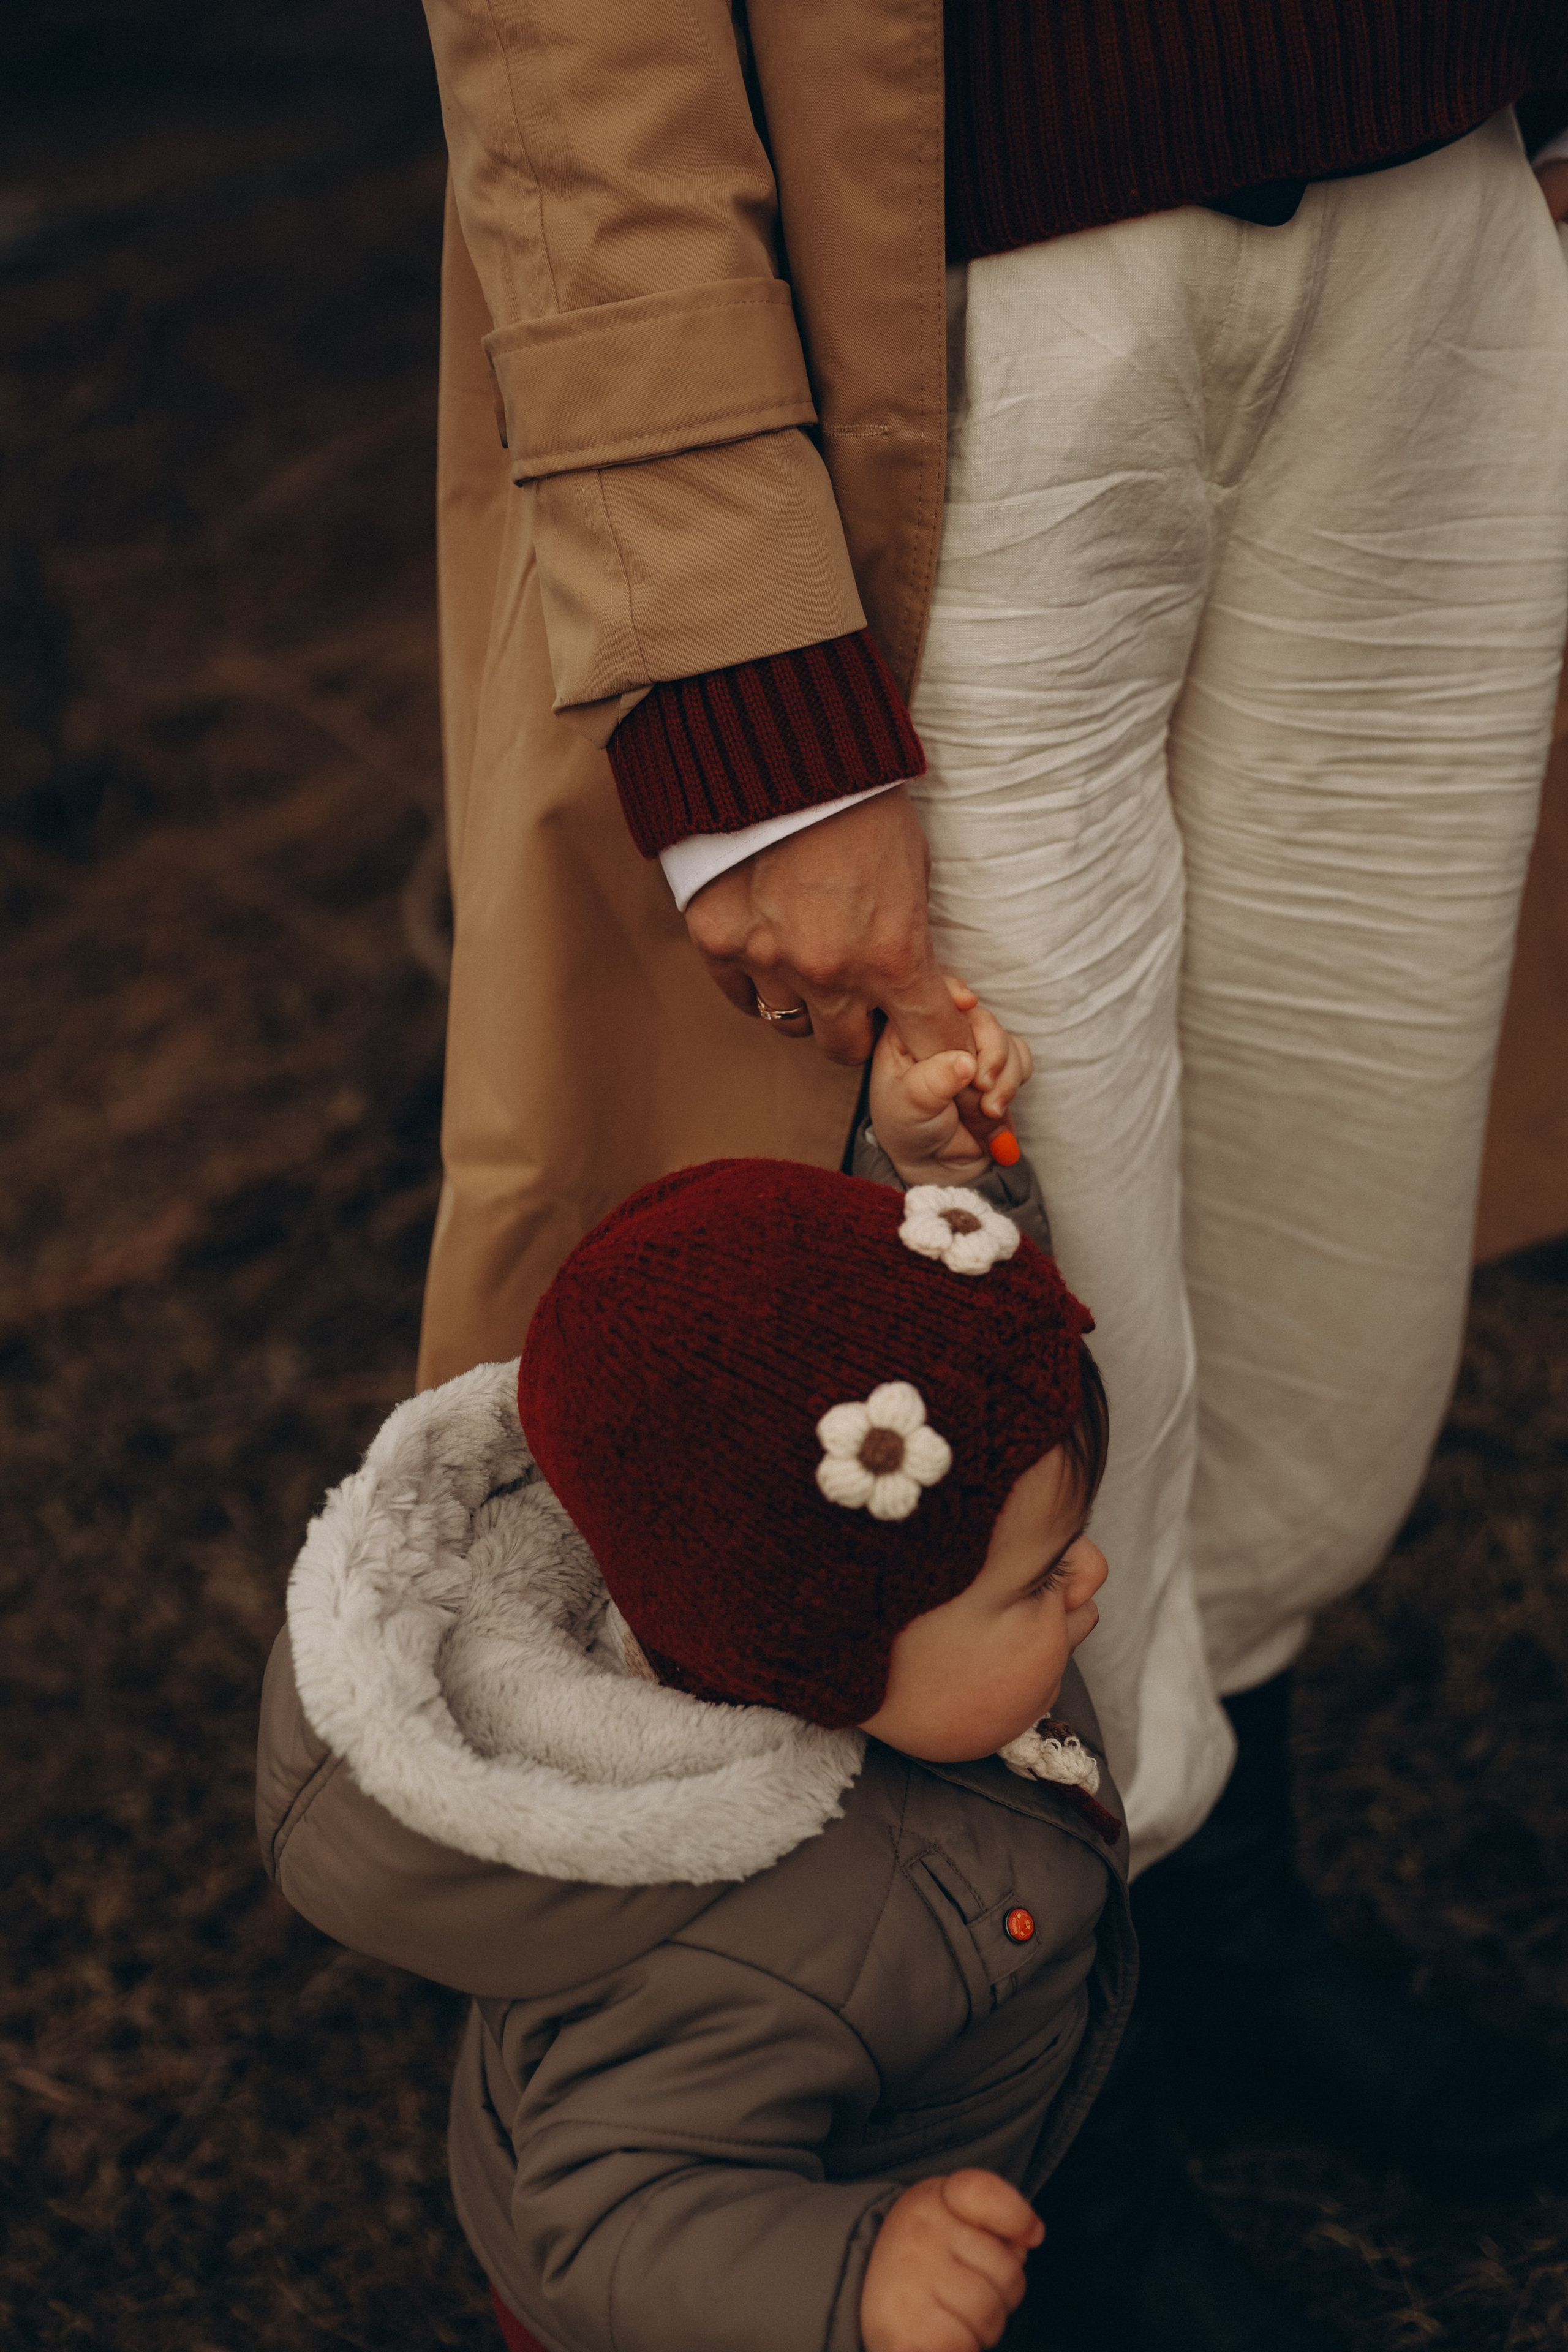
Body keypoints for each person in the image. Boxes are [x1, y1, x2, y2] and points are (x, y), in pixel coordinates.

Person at [411, 0, 1568, 2302]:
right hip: (941, 304)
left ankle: (1212, 1899)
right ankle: (1011, 2076)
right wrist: (739, 661)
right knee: (988, 1312)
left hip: (1439, 208)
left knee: (1317, 1236)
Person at [259, 1011, 1271, 2352]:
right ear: (822, 1657)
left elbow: (888, 1368)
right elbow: (612, 2223)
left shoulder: (851, 1575)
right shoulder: (734, 1953)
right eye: (1032, 1583)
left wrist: (935, 1186)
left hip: (989, 2108)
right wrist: (854, 2275)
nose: (1085, 1582)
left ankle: (1113, 2220)